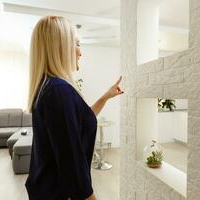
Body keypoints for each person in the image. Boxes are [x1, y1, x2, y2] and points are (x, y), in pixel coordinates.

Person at [25, 16, 123, 200]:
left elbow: (76, 126)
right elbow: (72, 165)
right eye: (77, 43)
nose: (80, 52)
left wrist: (106, 96)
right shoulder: (58, 91)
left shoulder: (50, 87)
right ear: (60, 47)